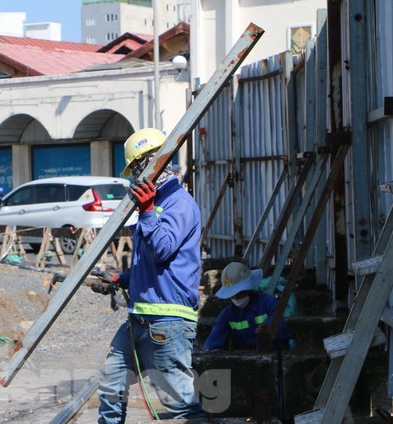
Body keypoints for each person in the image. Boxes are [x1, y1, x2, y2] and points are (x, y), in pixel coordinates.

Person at [91, 128, 205, 423]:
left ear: (159, 161)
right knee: (111, 385)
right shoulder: (153, 206)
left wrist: (147, 210)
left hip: (167, 319)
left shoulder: (179, 204)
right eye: (135, 169)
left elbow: (163, 250)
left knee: (181, 405)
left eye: (141, 166)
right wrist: (121, 279)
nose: (138, 175)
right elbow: (150, 265)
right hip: (139, 317)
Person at [202, 262, 293, 352]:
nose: (236, 297)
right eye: (232, 294)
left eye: (239, 292)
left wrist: (266, 330)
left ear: (248, 288)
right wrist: (209, 348)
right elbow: (215, 335)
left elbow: (281, 329)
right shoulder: (229, 313)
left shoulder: (269, 303)